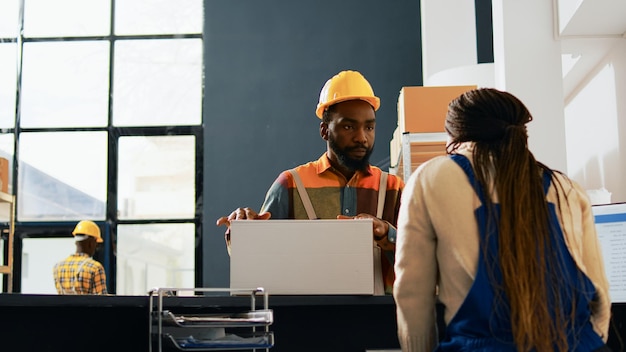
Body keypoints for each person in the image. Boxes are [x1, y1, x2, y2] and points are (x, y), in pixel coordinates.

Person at [393, 88, 611, 351]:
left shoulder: (431, 178)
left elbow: (412, 295)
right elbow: (600, 298)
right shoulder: (567, 188)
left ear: (453, 136)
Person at [216, 70, 404, 292]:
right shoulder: (290, 184)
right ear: (325, 130)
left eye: (369, 127)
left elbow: (421, 257)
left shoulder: (394, 188)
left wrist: (387, 234)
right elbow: (261, 262)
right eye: (348, 126)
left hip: (379, 320)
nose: (361, 137)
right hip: (306, 319)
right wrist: (242, 232)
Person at [53, 220, 108, 295]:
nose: (96, 247)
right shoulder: (95, 268)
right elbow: (102, 301)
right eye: (96, 244)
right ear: (91, 243)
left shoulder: (58, 267)